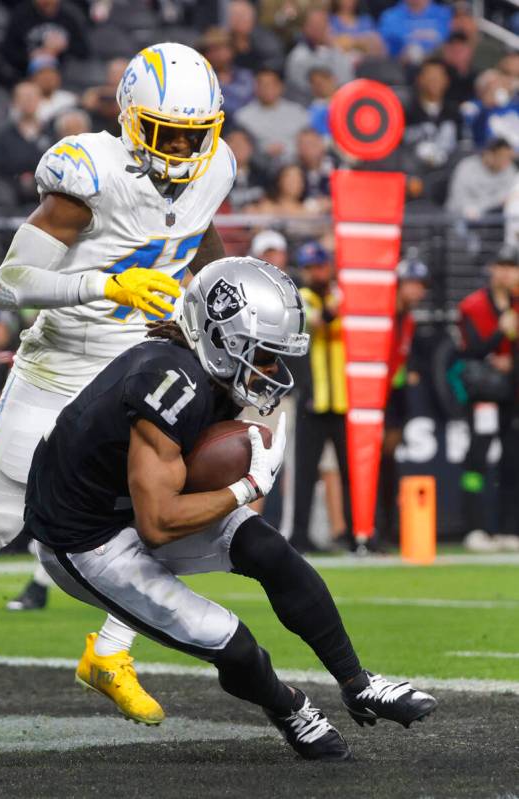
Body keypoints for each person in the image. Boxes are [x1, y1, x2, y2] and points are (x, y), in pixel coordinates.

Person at [0, 42, 235, 739]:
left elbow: (196, 238)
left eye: (193, 132)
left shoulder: (219, 167)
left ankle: (108, 653)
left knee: (162, 522)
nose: (182, 146)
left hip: (137, 367)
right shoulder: (88, 169)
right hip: (57, 368)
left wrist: (220, 293)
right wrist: (105, 284)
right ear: (129, 118)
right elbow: (9, 283)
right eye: (166, 131)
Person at [25, 256, 437, 762]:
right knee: (231, 641)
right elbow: (157, 525)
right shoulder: (172, 385)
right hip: (86, 540)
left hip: (128, 505)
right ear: (222, 340)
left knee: (267, 549)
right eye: (263, 354)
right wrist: (245, 487)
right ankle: (289, 708)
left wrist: (242, 495)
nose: (271, 370)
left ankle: (357, 682)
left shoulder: (206, 371)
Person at [290, 242, 352, 553]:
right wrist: (338, 303)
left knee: (350, 473)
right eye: (311, 267)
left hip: (343, 400)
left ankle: (355, 533)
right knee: (304, 471)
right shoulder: (302, 297)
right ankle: (299, 535)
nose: (317, 272)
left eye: (320, 266)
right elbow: (315, 321)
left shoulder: (342, 297)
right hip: (313, 399)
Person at [458, 244, 519, 551]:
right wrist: (500, 335)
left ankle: (509, 529)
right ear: (492, 269)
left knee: (512, 461)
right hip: (484, 394)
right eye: (502, 265)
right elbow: (469, 352)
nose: (507, 272)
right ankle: (475, 527)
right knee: (477, 461)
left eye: (513, 266)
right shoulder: (473, 305)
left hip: (513, 395)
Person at [378, 254, 429, 542]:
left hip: (394, 397)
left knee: (389, 462)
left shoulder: (407, 319)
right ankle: (376, 527)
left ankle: (389, 528)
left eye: (421, 285)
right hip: (376, 399)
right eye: (413, 283)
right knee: (376, 463)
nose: (418, 291)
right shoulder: (383, 315)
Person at [0, 0, 90, 85]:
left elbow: (84, 52)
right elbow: (7, 51)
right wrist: (29, 56)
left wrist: (64, 46)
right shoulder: (21, 14)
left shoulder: (70, 15)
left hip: (63, 76)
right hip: (25, 75)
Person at [235, 68, 308, 161]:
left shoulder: (298, 112)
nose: (267, 89)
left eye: (271, 84)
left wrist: (287, 149)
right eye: (262, 85)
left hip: (296, 163)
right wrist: (264, 151)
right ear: (255, 88)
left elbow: (308, 141)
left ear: (281, 87)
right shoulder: (243, 117)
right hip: (259, 166)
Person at [284, 8, 355, 97]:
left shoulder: (337, 52)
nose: (318, 29)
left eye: (322, 25)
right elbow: (298, 90)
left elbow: (347, 80)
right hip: (307, 104)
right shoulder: (297, 57)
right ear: (304, 28)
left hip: (337, 99)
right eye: (314, 25)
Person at [445, 137, 516, 221]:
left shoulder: (509, 170)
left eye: (508, 158)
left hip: (493, 217)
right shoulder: (467, 167)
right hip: (460, 216)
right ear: (488, 155)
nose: (506, 162)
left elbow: (508, 197)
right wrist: (476, 208)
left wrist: (482, 207)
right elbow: (459, 199)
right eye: (502, 157)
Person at [378, 0, 452, 62]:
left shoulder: (444, 14)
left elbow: (451, 40)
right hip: (402, 65)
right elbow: (385, 46)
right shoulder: (390, 17)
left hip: (439, 63)